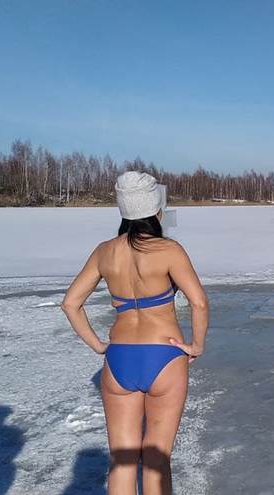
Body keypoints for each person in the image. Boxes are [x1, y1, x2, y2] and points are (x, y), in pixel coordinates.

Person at [62, 171, 209, 494]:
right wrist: (196, 345)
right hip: (165, 355)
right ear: (156, 211)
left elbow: (71, 303)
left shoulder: (105, 251)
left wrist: (98, 345)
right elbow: (198, 303)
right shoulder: (169, 250)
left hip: (118, 358)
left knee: (122, 461)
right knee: (156, 459)